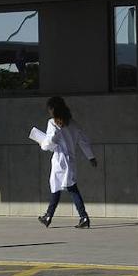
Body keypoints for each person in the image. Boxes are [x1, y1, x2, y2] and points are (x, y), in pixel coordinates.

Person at [37, 96, 97, 229]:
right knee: (69, 187)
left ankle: (79, 216)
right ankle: (51, 215)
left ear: (52, 110)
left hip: (60, 161)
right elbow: (83, 141)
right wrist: (91, 157)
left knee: (58, 187)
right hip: (71, 161)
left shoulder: (53, 123)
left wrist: (42, 143)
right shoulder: (73, 123)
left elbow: (48, 144)